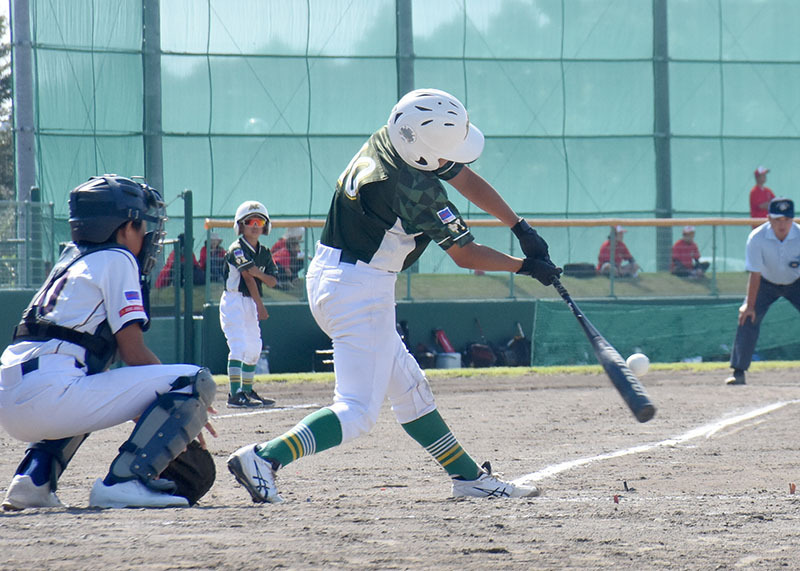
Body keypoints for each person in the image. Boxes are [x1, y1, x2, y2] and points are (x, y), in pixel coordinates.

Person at [226, 88, 561, 503]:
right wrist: (526, 267)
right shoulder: (415, 188)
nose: (451, 158)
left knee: (410, 389)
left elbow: (464, 177)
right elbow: (464, 254)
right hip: (358, 290)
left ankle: (467, 477)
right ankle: (264, 458)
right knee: (357, 411)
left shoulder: (392, 136)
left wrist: (519, 227)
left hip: (343, 276)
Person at [0, 175, 216, 510]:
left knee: (86, 380)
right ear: (122, 227)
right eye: (140, 225)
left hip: (15, 394)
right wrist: (180, 403)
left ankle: (34, 479)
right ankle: (126, 482)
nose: (146, 234)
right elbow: (133, 352)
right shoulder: (118, 257)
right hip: (49, 390)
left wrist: (158, 410)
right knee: (194, 381)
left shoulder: (70, 261)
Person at [725, 197, 800, 386]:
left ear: (793, 219)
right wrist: (749, 306)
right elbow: (755, 274)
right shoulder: (757, 238)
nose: (782, 224)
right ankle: (738, 371)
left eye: (786, 219)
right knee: (747, 316)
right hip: (765, 283)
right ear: (768, 218)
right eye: (777, 219)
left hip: (796, 281)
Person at [220, 201, 279, 408]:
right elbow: (248, 277)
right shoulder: (237, 249)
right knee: (238, 347)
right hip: (235, 300)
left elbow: (272, 280)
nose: (255, 225)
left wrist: (258, 272)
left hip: (250, 302)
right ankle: (234, 394)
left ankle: (246, 390)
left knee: (254, 348)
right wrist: (260, 304)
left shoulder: (264, 251)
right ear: (241, 225)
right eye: (250, 221)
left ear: (266, 226)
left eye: (260, 221)